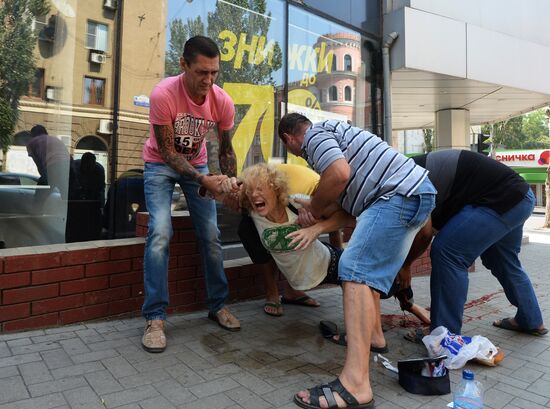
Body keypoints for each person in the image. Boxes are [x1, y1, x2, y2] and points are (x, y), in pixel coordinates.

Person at [278, 113, 436, 409]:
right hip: (412, 194)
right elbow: (350, 212)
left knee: (353, 268)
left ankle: (355, 385)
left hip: (397, 195)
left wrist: (314, 206)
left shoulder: (316, 136)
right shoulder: (343, 141)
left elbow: (338, 174)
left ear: (289, 139)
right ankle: (374, 338)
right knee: (365, 275)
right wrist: (317, 218)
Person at [141, 35, 241, 353]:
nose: (208, 81)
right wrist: (204, 180)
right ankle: (155, 318)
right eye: (201, 72)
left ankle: (217, 305)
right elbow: (168, 153)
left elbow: (225, 150)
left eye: (214, 73)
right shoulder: (163, 94)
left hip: (196, 164)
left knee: (211, 234)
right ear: (183, 65)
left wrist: (232, 184)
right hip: (160, 165)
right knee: (159, 231)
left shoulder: (221, 100)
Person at [400, 149, 546, 339]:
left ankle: (444, 334)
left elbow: (426, 231)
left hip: (500, 198)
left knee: (447, 253)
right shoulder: (410, 171)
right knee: (501, 260)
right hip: (520, 197)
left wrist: (405, 265)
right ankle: (530, 319)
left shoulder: (404, 179)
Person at [238, 163, 344, 317]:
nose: (254, 195)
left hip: (330, 265)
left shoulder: (297, 203)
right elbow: (217, 191)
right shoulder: (253, 214)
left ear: (276, 189)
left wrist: (315, 229)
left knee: (378, 289)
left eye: (260, 188)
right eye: (250, 190)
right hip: (302, 277)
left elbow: (345, 217)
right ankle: (289, 293)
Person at [26, 125, 71, 203]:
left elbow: (38, 162)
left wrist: (43, 176)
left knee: (39, 197)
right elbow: (67, 155)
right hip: (68, 167)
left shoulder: (32, 142)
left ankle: (36, 213)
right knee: (67, 197)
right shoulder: (56, 139)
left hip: (53, 168)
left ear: (33, 134)